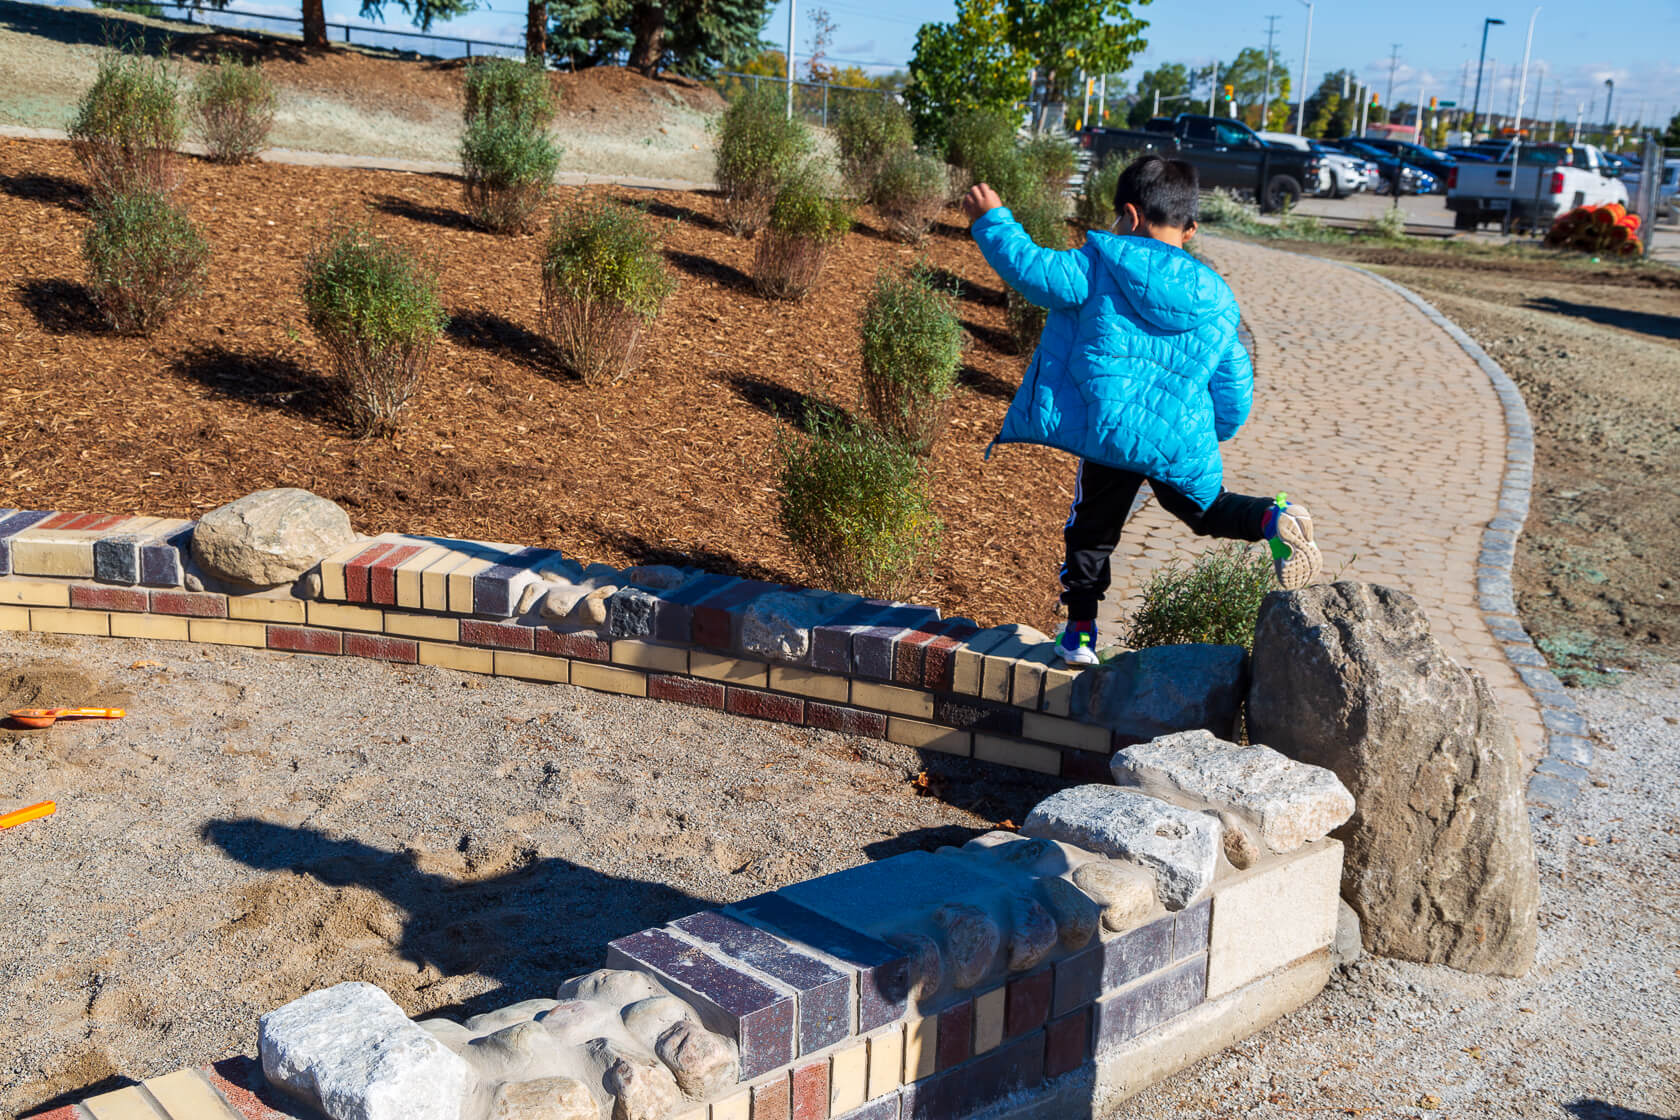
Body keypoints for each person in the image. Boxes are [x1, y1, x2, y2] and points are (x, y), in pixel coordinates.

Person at [962, 153, 1321, 667]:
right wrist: (1213, 431)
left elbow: (1032, 270)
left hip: (1112, 429)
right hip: (1178, 436)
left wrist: (992, 219)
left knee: (1091, 531)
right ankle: (1272, 517)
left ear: (1129, 216)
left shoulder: (1098, 265)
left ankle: (1080, 635)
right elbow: (1234, 385)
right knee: (1207, 511)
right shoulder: (1218, 299)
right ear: (1190, 229)